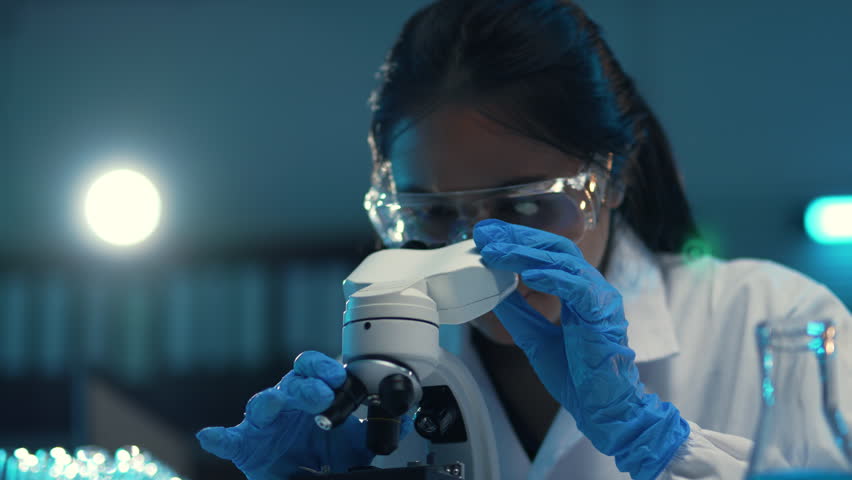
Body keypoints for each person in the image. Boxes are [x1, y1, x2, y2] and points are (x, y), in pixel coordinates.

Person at [196, 1, 852, 478]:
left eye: (527, 204)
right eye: (431, 213)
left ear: (614, 177)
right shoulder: (384, 385)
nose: (477, 250)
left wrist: (657, 443)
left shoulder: (771, 318)